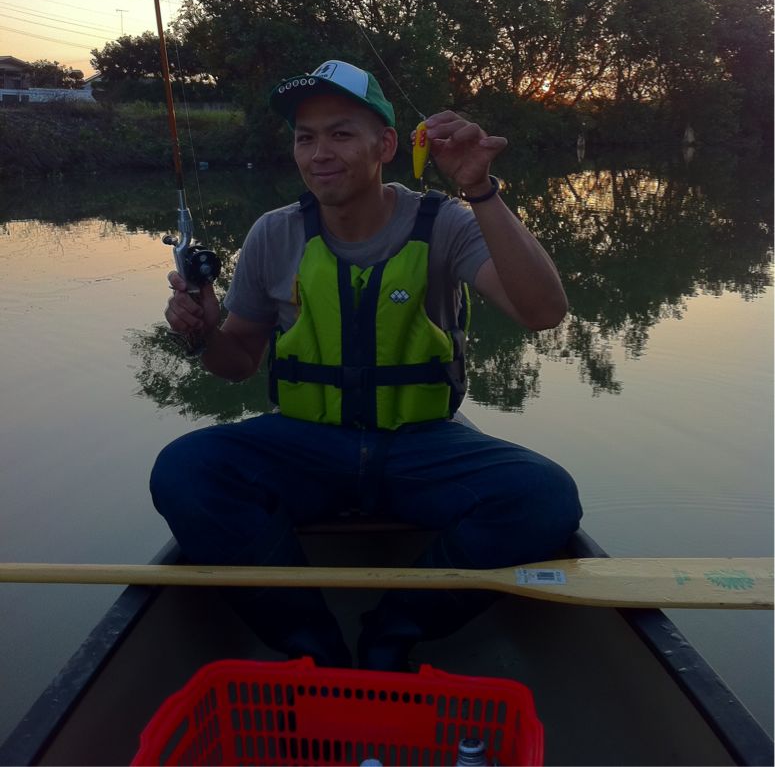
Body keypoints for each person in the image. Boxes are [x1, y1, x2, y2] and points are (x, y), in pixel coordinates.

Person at [152, 59, 582, 671]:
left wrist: (481, 190)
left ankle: (396, 628)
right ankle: (311, 643)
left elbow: (543, 312)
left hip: (419, 447)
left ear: (386, 145)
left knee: (544, 495)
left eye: (341, 133)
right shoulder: (273, 234)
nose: (319, 153)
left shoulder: (446, 223)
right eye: (306, 137)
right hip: (306, 447)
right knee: (184, 469)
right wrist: (201, 333)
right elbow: (238, 362)